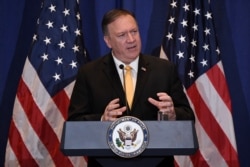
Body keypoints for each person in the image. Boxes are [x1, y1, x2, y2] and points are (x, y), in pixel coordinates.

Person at [68, 9, 195, 167]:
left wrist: (173, 114)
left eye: (134, 31)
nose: (131, 39)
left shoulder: (164, 70)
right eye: (122, 35)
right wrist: (101, 120)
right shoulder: (89, 73)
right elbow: (74, 123)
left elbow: (188, 117)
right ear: (108, 41)